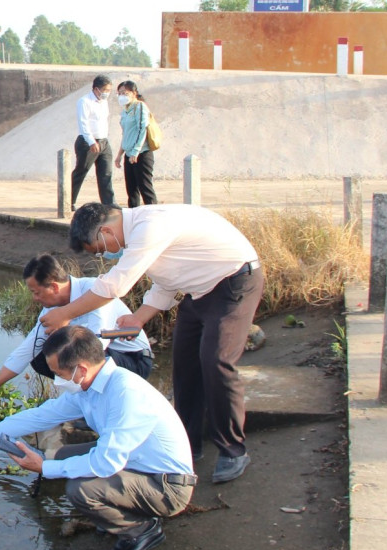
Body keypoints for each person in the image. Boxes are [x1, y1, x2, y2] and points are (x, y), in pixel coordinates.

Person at [40, 203, 264, 485]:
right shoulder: (140, 236)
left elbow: (114, 285)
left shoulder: (150, 226)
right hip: (199, 293)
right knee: (185, 366)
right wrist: (139, 318)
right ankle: (188, 444)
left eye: (99, 249)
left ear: (106, 231)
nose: (105, 255)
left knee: (216, 361)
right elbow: (167, 282)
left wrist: (65, 313)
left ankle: (233, 450)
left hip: (234, 282)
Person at [0, 326, 196, 550]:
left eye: (60, 374)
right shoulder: (90, 387)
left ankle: (141, 530)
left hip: (167, 486)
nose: (57, 381)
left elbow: (105, 463)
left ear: (81, 369)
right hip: (135, 463)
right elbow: (41, 416)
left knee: (81, 490)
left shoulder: (126, 394)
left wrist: (44, 468)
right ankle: (121, 510)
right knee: (61, 456)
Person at [0, 253, 153, 417]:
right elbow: (26, 350)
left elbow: (96, 348)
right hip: (97, 358)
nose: (34, 298)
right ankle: (83, 403)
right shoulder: (51, 309)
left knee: (75, 352)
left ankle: (98, 407)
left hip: (132, 359)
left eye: (36, 292)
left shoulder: (95, 292)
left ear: (54, 287)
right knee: (40, 355)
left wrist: (65, 330)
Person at [69, 74, 116, 208]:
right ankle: (69, 201)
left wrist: (103, 139)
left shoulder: (104, 102)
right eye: (105, 90)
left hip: (103, 141)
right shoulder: (84, 102)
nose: (107, 93)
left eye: (109, 90)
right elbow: (83, 123)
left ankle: (109, 204)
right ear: (96, 89)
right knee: (81, 171)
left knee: (106, 173)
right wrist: (91, 141)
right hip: (88, 142)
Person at [113, 80, 157, 208]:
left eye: (125, 93)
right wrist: (120, 154)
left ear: (134, 93)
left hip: (141, 154)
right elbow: (126, 134)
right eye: (120, 93)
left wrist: (136, 151)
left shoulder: (140, 106)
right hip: (129, 154)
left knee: (145, 188)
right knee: (131, 190)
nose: (122, 96)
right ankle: (133, 215)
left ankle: (153, 213)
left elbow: (142, 129)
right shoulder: (125, 111)